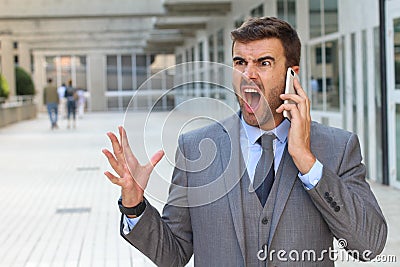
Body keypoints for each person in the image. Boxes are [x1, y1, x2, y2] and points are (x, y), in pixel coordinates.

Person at [103, 17, 387, 266]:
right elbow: (173, 254)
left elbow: (369, 246)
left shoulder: (338, 148)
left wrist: (306, 161)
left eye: (263, 63)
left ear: (292, 75)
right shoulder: (196, 147)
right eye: (240, 62)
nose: (247, 74)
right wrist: (134, 206)